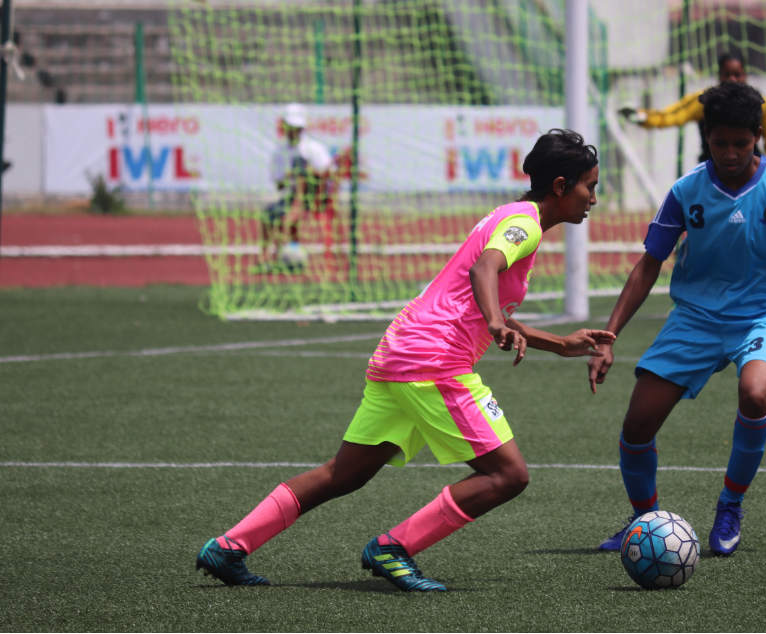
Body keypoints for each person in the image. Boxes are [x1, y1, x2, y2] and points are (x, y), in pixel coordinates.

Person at [197, 128, 616, 591]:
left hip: (406, 351)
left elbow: (473, 296)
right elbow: (484, 269)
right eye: (589, 186)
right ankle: (393, 548)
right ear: (561, 186)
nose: (593, 198)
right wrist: (497, 322)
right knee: (508, 475)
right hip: (434, 360)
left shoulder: (509, 215)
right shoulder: (526, 224)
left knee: (343, 475)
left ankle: (229, 546)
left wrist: (556, 343)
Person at [589, 82, 766, 556]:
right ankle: (644, 523)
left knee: (756, 392)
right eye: (721, 143)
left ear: (757, 136)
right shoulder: (686, 191)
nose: (731, 153)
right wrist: (608, 336)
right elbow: (648, 265)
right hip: (696, 318)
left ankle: (730, 504)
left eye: (741, 143)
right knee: (637, 425)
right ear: (707, 139)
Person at [619, 52, 766, 165]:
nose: (732, 80)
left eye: (737, 74)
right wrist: (643, 117)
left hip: (748, 170)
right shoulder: (705, 101)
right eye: (727, 74)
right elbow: (672, 116)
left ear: (745, 75)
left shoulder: (760, 104)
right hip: (714, 170)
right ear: (719, 75)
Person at [252, 103, 335, 275]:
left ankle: (281, 254)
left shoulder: (314, 148)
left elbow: (329, 174)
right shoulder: (280, 151)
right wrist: (290, 176)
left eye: (297, 128)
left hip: (315, 196)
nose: (294, 131)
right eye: (291, 127)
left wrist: (309, 173)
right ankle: (266, 257)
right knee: (269, 214)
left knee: (300, 176)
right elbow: (279, 184)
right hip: (292, 197)